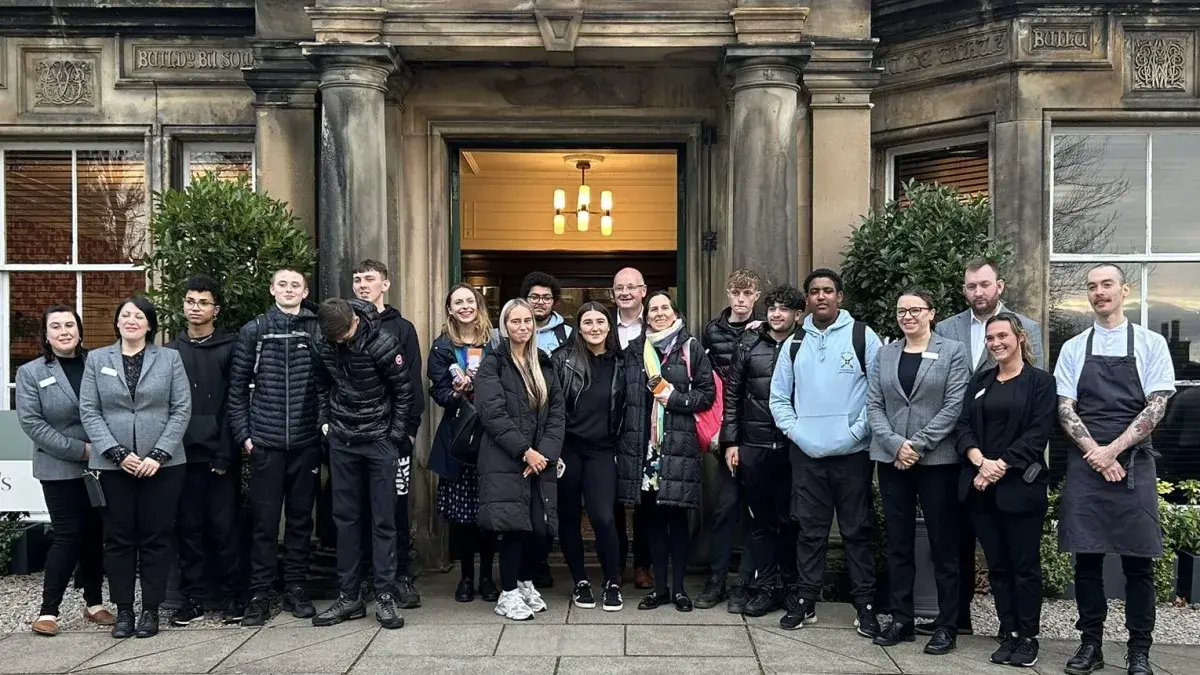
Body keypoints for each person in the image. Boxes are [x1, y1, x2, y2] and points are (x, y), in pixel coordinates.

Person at [1054, 264, 1175, 675]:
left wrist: (1115, 450)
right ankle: (1091, 646)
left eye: (1107, 285)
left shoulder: (1151, 343)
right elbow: (1064, 408)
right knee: (1086, 560)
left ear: (1125, 290)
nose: (1099, 292)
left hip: (1134, 460)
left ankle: (1138, 650)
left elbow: (1157, 406)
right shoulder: (1073, 348)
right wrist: (1095, 452)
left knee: (1138, 561)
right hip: (1087, 459)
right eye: (1092, 287)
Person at [935, 256, 1045, 636]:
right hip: (960, 455)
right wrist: (975, 457)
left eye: (984, 284)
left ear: (999, 286)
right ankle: (957, 617)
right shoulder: (946, 328)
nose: (978, 292)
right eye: (971, 286)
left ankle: (1018, 631)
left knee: (1015, 557)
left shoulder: (1025, 328)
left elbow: (1036, 405)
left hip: (1010, 467)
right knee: (959, 542)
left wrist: (999, 463)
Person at [769, 268, 881, 636]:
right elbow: (779, 398)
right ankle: (805, 603)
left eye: (828, 291)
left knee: (856, 531)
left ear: (840, 297)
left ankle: (865, 606)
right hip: (807, 454)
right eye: (814, 291)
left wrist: (854, 432)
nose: (821, 297)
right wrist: (798, 432)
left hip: (852, 454)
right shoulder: (793, 344)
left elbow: (878, 395)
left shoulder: (863, 336)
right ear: (807, 300)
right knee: (810, 532)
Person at [78, 296, 192, 639]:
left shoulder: (170, 358)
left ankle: (151, 611)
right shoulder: (97, 359)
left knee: (157, 538)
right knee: (118, 539)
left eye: (138, 316)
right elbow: (89, 410)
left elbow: (181, 408)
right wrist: (115, 452)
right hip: (114, 466)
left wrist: (158, 455)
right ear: (116, 322)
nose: (131, 320)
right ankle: (124, 610)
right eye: (125, 315)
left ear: (149, 324)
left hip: (163, 465)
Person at [866, 290, 969, 653]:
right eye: (901, 311)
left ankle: (947, 625)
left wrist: (918, 444)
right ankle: (901, 619)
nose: (907, 316)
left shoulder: (953, 351)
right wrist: (896, 445)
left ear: (931, 313)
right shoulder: (885, 353)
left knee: (944, 544)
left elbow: (955, 404)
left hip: (937, 460)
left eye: (915, 310)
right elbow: (873, 404)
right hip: (892, 460)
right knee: (897, 542)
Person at [956, 313, 1056, 668]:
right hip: (981, 489)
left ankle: (1029, 637)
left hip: (1020, 489)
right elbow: (963, 426)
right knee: (997, 566)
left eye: (1002, 336)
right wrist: (979, 460)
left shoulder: (1041, 383)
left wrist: (997, 466)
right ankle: (1009, 631)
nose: (996, 343)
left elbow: (1038, 433)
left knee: (1024, 566)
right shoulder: (981, 381)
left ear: (1020, 338)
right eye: (990, 338)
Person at [310, 299, 413, 629]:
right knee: (345, 520)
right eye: (336, 337)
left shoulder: (383, 342)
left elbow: (403, 392)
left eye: (346, 333)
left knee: (384, 520)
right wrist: (324, 423)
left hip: (380, 440)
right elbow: (321, 384)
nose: (343, 340)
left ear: (355, 320)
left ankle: (384, 595)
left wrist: (395, 435)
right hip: (342, 438)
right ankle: (349, 595)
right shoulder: (322, 341)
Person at [227, 268, 321, 626]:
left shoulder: (315, 328)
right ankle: (259, 593)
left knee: (300, 522)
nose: (288, 289)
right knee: (264, 525)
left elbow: (327, 380)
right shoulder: (254, 330)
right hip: (264, 444)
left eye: (295, 285)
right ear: (272, 290)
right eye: (282, 284)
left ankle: (296, 587)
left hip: (305, 443)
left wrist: (319, 429)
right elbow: (236, 389)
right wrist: (245, 436)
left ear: (304, 291)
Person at [17, 305, 113, 637]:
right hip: (58, 467)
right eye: (55, 326)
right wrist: (81, 449)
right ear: (46, 334)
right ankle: (49, 611)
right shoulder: (31, 372)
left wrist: (105, 447)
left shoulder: (98, 364)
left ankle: (95, 603)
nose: (63, 331)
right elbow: (32, 423)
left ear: (80, 330)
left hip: (101, 466)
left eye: (69, 324)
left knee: (95, 535)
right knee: (68, 535)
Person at [622, 290, 715, 613]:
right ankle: (659, 589)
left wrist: (673, 400)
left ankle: (678, 589)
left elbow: (707, 394)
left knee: (676, 519)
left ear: (675, 314)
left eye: (664, 308)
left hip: (678, 446)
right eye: (653, 309)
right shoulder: (635, 352)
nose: (659, 313)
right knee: (651, 519)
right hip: (644, 449)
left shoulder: (691, 348)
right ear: (645, 317)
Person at [475, 299, 566, 621]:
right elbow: (492, 414)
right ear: (505, 325)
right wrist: (524, 451)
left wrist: (544, 454)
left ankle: (526, 581)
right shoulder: (493, 363)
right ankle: (508, 592)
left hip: (539, 461)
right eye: (515, 321)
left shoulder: (544, 363)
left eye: (527, 321)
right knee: (515, 527)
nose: (522, 327)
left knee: (542, 529)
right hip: (505, 459)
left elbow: (557, 414)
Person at [163, 275, 243, 627]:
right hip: (181, 457)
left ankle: (233, 595)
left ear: (216, 309)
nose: (195, 308)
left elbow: (235, 402)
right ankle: (192, 597)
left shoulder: (231, 347)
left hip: (219, 456)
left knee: (225, 526)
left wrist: (226, 453)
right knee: (189, 528)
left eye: (203, 302)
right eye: (190, 301)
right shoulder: (169, 351)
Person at [720, 284, 803, 618]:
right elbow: (732, 395)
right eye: (772, 308)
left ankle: (792, 588)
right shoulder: (750, 343)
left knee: (792, 520)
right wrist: (731, 441)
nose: (776, 314)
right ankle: (765, 587)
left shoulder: (805, 345)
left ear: (798, 315)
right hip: (754, 447)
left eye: (784, 309)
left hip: (794, 448)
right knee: (760, 522)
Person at [352, 259, 424, 608]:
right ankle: (368, 576)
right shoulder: (345, 326)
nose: (362, 284)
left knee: (396, 507)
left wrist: (408, 430)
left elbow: (412, 381)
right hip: (355, 437)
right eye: (357, 280)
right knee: (360, 507)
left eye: (369, 279)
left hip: (394, 438)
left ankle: (400, 576)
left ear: (386, 284)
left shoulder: (402, 328)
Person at [551, 302, 627, 611]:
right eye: (587, 322)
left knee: (603, 517)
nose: (594, 327)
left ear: (609, 327)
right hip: (568, 448)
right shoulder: (562, 360)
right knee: (568, 517)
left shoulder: (623, 362)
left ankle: (612, 581)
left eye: (600, 321)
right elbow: (552, 408)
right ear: (578, 328)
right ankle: (580, 581)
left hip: (602, 450)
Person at [428, 283, 500, 603]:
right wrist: (455, 392)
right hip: (459, 436)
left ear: (478, 305)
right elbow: (438, 391)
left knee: (489, 512)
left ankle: (487, 577)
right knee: (462, 516)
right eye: (458, 302)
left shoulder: (495, 341)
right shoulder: (442, 346)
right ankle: (466, 577)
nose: (465, 306)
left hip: (491, 434)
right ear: (450, 309)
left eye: (470, 301)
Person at [699, 268, 763, 611]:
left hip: (759, 433)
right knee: (725, 508)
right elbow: (706, 381)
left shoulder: (767, 330)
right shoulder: (712, 331)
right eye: (735, 294)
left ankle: (747, 581)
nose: (740, 300)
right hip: (726, 432)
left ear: (755, 297)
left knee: (755, 510)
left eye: (747, 294)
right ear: (728, 294)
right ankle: (716, 579)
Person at [611, 266, 653, 590]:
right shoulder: (600, 326)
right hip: (609, 424)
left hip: (645, 422)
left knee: (644, 501)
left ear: (643, 291)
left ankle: (643, 564)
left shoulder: (655, 326)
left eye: (631, 287)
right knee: (610, 498)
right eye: (619, 288)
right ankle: (615, 562)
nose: (625, 292)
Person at [521, 271, 574, 356]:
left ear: (554, 302)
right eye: (534, 297)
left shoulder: (568, 333)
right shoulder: (511, 330)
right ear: (525, 299)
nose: (540, 302)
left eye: (546, 298)